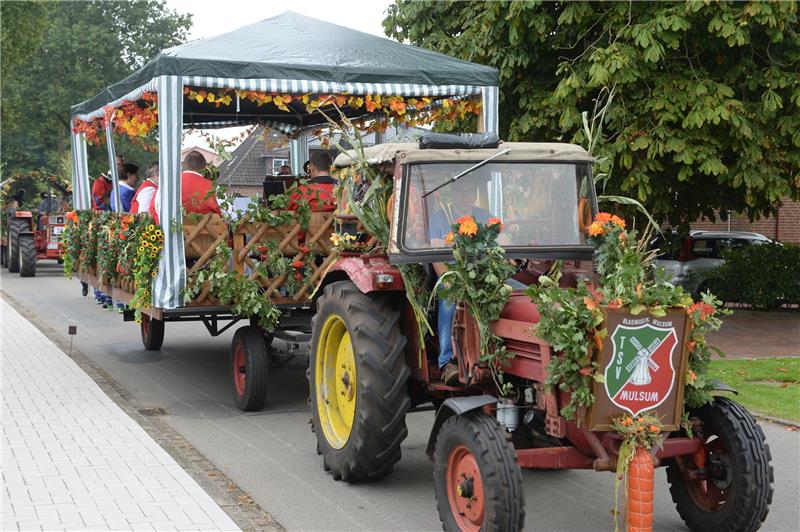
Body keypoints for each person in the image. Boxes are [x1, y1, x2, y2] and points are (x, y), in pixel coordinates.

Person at [150, 150, 221, 223]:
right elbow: (231, 215)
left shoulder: (167, 186)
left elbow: (154, 209)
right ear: (204, 168)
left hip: (173, 232)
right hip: (209, 233)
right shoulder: (213, 188)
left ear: (184, 166)